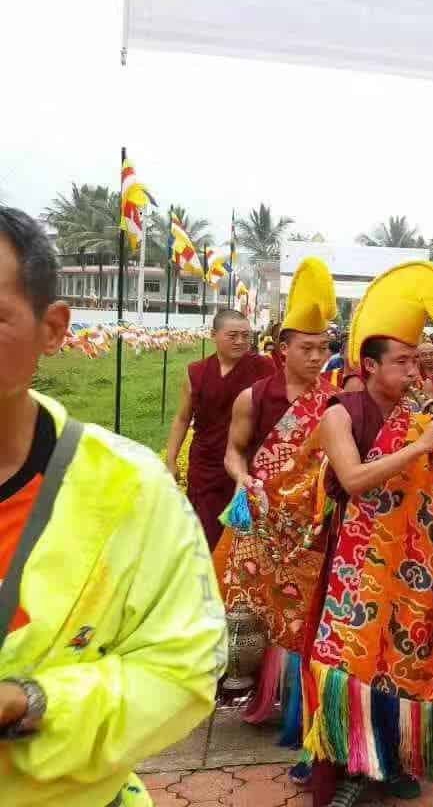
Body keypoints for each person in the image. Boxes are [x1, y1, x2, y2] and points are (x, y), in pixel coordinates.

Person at [0, 208, 225, 805]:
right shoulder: (201, 376)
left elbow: (187, 664)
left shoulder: (128, 489)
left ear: (53, 330)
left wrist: (34, 703)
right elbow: (185, 418)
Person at [307, 261, 433, 805]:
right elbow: (352, 479)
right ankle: (350, 764)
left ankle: (392, 756)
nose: (415, 374)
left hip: (411, 562)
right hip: (357, 562)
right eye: (403, 363)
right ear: (370, 366)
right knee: (353, 661)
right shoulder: (339, 415)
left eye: (418, 362)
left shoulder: (421, 418)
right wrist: (419, 447)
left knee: (405, 655)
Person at [217, 258, 338, 751]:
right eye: (307, 348)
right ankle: (256, 694)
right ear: (282, 349)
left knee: (306, 609)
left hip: (314, 521)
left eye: (324, 348)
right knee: (256, 606)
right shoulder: (253, 396)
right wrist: (244, 478)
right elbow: (233, 451)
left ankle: (298, 699)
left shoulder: (335, 401)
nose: (317, 357)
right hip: (263, 514)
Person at [166, 307, 274, 548]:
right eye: (233, 335)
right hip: (206, 464)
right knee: (204, 531)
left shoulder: (264, 368)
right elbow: (183, 418)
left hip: (247, 462)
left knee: (243, 534)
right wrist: (171, 460)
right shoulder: (196, 372)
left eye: (246, 336)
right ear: (213, 335)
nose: (241, 341)